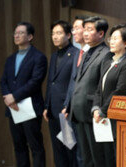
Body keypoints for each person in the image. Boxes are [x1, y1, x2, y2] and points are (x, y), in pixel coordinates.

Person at [0, 22, 47, 167]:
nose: (16, 35)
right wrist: (8, 98)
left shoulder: (38, 57)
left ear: (30, 36)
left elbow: (35, 81)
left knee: (35, 147)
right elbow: (3, 81)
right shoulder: (10, 59)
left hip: (30, 108)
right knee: (19, 146)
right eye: (15, 33)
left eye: (20, 33)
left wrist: (15, 97)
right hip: (13, 108)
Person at [91, 23, 126, 167]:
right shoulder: (108, 62)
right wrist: (96, 108)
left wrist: (103, 111)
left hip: (114, 119)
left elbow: (120, 91)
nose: (111, 41)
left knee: (113, 159)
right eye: (111, 38)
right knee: (101, 158)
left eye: (116, 38)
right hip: (102, 118)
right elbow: (99, 89)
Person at [67, 16, 110, 167]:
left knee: (97, 158)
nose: (85, 33)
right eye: (84, 29)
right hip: (79, 112)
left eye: (90, 30)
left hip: (94, 112)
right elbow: (78, 83)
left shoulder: (106, 53)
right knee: (85, 159)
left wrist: (98, 108)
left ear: (101, 33)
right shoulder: (85, 52)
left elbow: (103, 85)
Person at [43, 20, 79, 167]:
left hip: (65, 111)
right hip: (52, 111)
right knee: (58, 151)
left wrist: (68, 106)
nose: (55, 37)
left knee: (69, 149)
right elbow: (51, 82)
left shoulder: (76, 54)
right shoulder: (54, 56)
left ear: (69, 35)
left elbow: (74, 83)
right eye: (53, 34)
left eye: (59, 33)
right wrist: (46, 106)